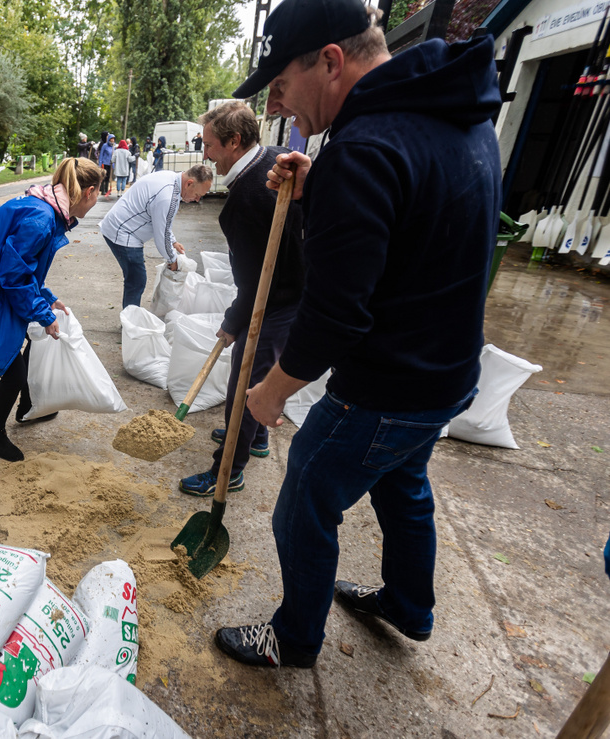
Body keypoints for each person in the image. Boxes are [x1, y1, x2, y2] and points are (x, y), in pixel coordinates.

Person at [213, 0, 502, 669]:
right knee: (404, 484)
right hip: (450, 370)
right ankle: (409, 605)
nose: (282, 110)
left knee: (304, 501)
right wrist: (328, 191)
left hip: (387, 385)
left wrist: (270, 393)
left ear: (332, 61)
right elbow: (421, 217)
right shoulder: (450, 107)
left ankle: (293, 637)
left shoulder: (364, 149)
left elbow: (334, 317)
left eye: (281, 88)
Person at [0, 158, 104, 462]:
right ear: (89, 192)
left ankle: (27, 407)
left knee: (27, 344)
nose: (95, 202)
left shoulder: (45, 208)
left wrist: (46, 298)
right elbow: (12, 276)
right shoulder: (40, 219)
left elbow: (23, 269)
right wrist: (44, 314)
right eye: (98, 196)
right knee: (12, 370)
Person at [178, 101, 304, 497]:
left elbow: (253, 284)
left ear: (234, 142)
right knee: (259, 375)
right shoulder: (272, 157)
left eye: (210, 145)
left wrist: (233, 322)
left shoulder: (245, 201)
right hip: (296, 287)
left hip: (279, 299)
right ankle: (258, 437)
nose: (205, 155)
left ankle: (228, 470)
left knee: (244, 385)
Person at [99, 165, 213, 308]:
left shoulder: (172, 182)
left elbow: (163, 223)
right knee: (136, 279)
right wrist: (172, 259)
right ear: (189, 183)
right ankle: (130, 321)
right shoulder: (168, 195)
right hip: (123, 232)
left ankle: (130, 316)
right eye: (197, 195)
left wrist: (173, 242)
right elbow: (161, 234)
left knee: (135, 278)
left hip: (120, 226)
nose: (197, 200)